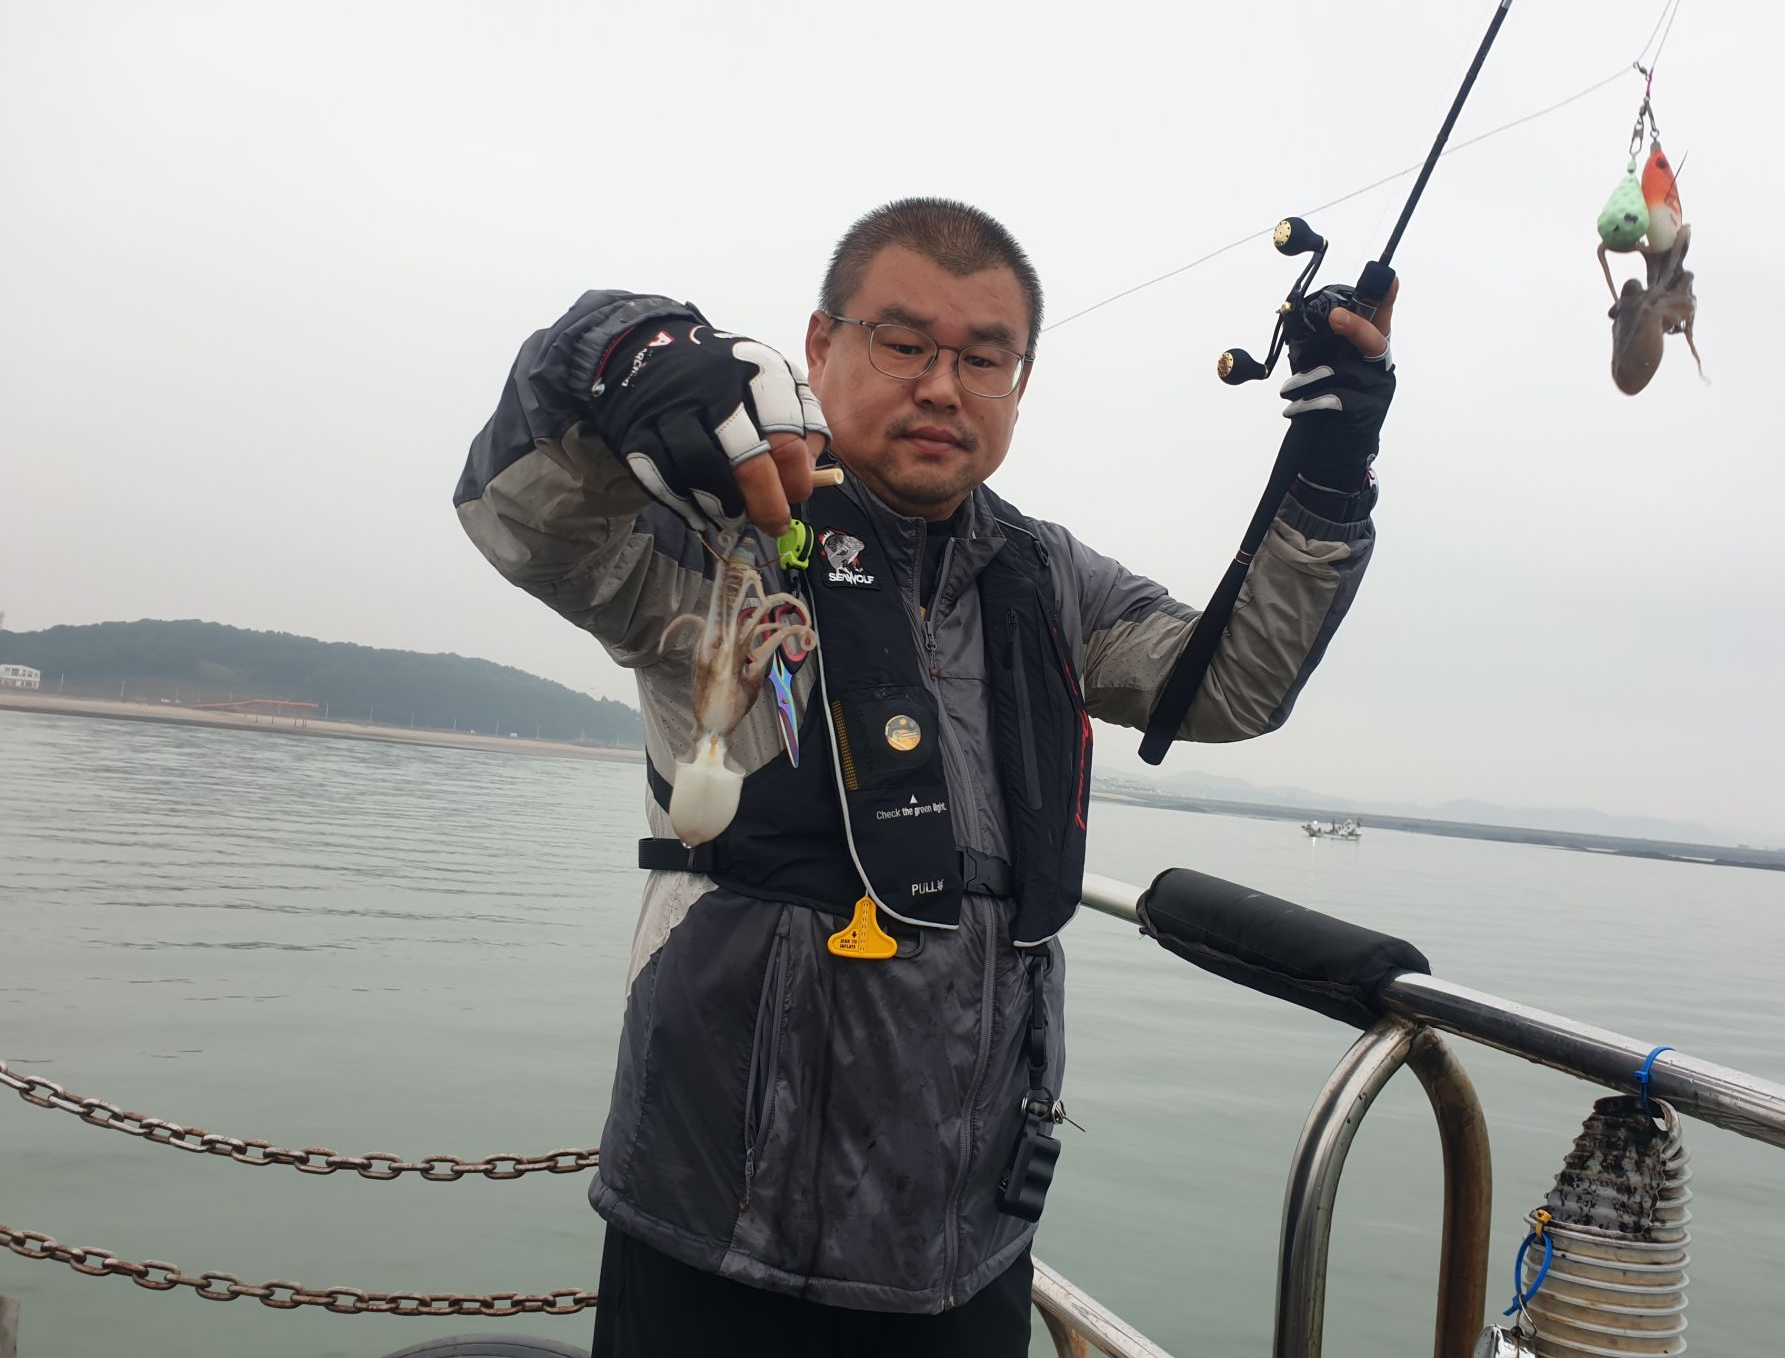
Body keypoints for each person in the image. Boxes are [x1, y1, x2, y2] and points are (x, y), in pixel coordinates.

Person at [453, 197, 1396, 1356]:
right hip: (711, 1226)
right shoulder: (716, 533)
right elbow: (522, 523)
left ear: (1020, 381)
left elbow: (1228, 685)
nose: (943, 386)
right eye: (904, 344)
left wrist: (1330, 468)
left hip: (969, 1246)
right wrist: (621, 350)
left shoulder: (1053, 580)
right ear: (819, 346)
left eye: (983, 358)